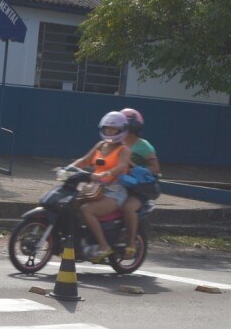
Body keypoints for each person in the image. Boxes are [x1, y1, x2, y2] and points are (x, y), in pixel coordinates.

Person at [66, 110, 132, 261]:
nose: (109, 131)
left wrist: (105, 174)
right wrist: (67, 169)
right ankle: (77, 241)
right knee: (70, 203)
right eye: (107, 128)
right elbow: (84, 160)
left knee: (87, 210)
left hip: (114, 191)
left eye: (113, 129)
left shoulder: (124, 150)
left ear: (121, 130)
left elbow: (122, 167)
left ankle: (104, 246)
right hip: (96, 187)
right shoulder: (101, 145)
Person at [119, 108, 161, 258]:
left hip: (137, 189)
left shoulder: (143, 146)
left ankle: (131, 244)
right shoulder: (115, 143)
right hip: (116, 184)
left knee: (128, 207)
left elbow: (155, 168)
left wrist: (135, 169)